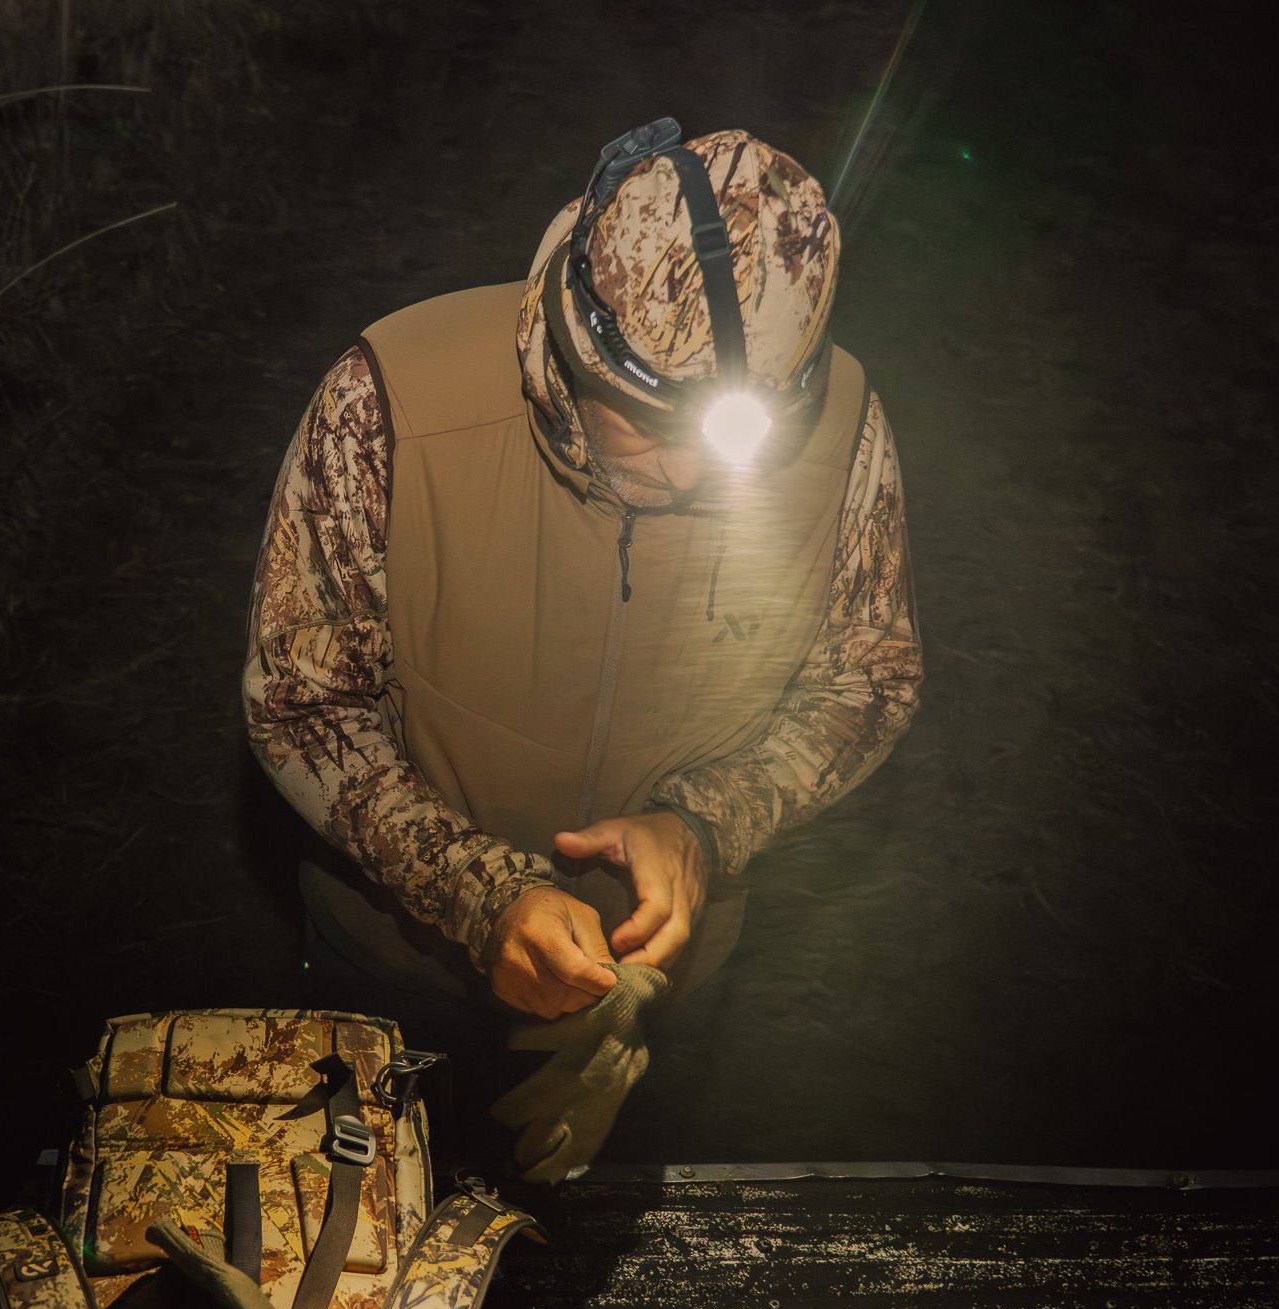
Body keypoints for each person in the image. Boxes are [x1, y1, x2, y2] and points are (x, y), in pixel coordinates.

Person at [242, 121, 921, 1142]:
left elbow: (868, 678)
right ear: (573, 340)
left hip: (659, 996)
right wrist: (477, 893)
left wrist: (706, 824)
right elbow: (302, 701)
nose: (687, 474)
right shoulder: (389, 395)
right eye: (645, 418)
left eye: (729, 436)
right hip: (395, 978)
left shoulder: (846, 433)